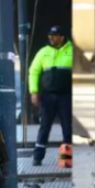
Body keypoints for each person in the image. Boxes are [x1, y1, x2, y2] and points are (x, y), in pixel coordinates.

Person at [29, 25, 74, 167]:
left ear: (61, 37)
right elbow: (34, 71)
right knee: (44, 126)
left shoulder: (71, 51)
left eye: (54, 36)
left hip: (65, 96)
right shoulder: (43, 52)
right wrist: (34, 91)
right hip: (48, 96)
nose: (51, 38)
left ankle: (66, 159)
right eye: (50, 36)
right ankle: (37, 157)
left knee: (67, 128)